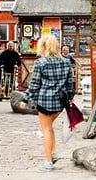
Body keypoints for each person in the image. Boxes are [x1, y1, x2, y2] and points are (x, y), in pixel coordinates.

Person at [19, 34, 74, 171]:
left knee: (46, 129)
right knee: (50, 127)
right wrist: (70, 98)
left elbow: (34, 84)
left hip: (44, 101)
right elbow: (70, 83)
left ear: (43, 46)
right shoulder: (66, 62)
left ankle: (48, 162)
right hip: (60, 102)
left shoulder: (41, 63)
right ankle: (53, 152)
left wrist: (25, 99)